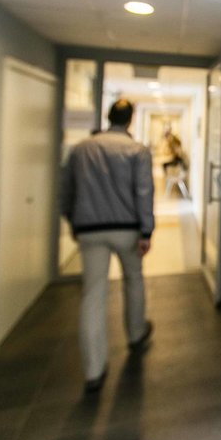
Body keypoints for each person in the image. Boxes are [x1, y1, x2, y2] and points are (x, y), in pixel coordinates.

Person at [59, 99, 155, 392]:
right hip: (127, 229)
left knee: (93, 294)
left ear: (108, 116)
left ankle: (94, 370)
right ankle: (135, 334)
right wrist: (146, 230)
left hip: (90, 229)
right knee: (133, 279)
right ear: (130, 119)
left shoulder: (81, 149)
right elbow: (143, 191)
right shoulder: (137, 150)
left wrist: (73, 221)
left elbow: (66, 190)